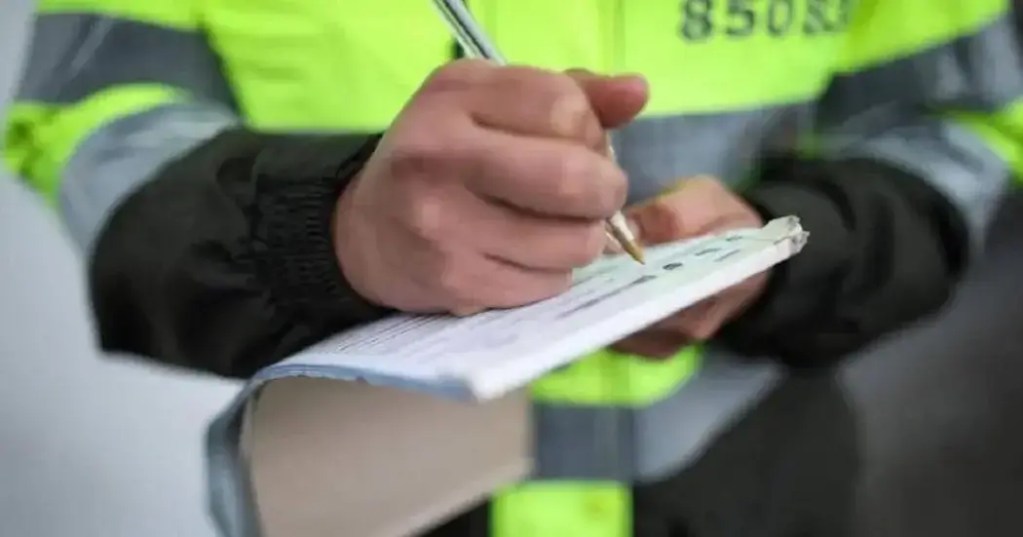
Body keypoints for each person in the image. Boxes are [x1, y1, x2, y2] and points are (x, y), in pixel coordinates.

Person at [4, 1, 1021, 536]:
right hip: (364, 508)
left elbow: (960, 129)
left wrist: (780, 246)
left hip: (756, 493)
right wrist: (333, 227)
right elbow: (95, 131)